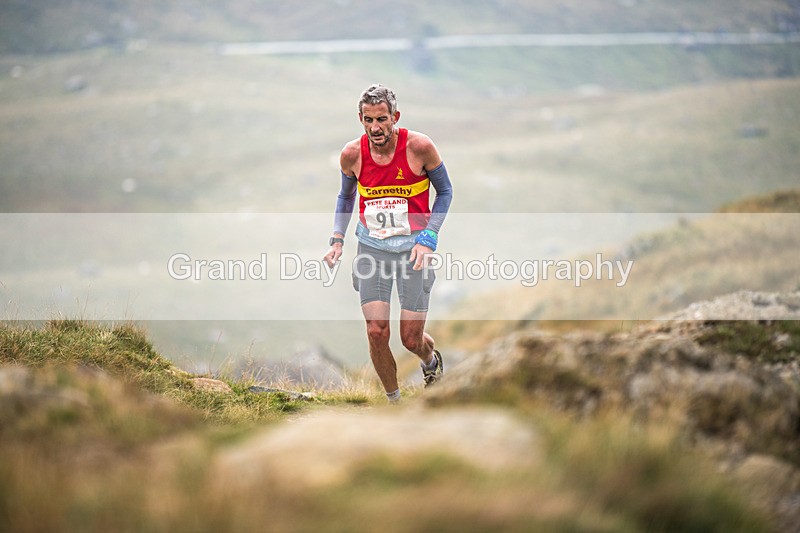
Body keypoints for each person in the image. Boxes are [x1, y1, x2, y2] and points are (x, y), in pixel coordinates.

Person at [323, 84, 453, 403]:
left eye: (382, 119)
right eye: (368, 120)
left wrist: (428, 238)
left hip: (414, 252)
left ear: (394, 117)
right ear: (360, 119)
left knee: (410, 338)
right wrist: (337, 239)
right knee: (376, 331)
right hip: (372, 249)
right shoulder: (352, 154)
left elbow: (445, 192)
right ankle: (394, 402)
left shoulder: (419, 147)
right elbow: (346, 196)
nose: (375, 128)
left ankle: (430, 361)